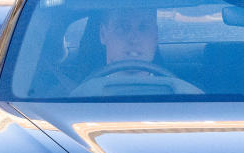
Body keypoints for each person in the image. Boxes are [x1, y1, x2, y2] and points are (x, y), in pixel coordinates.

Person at [69, 8, 201, 96]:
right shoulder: (69, 98)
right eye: (122, 28)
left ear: (156, 36)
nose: (134, 39)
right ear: (103, 34)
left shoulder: (191, 98)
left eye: (143, 28)